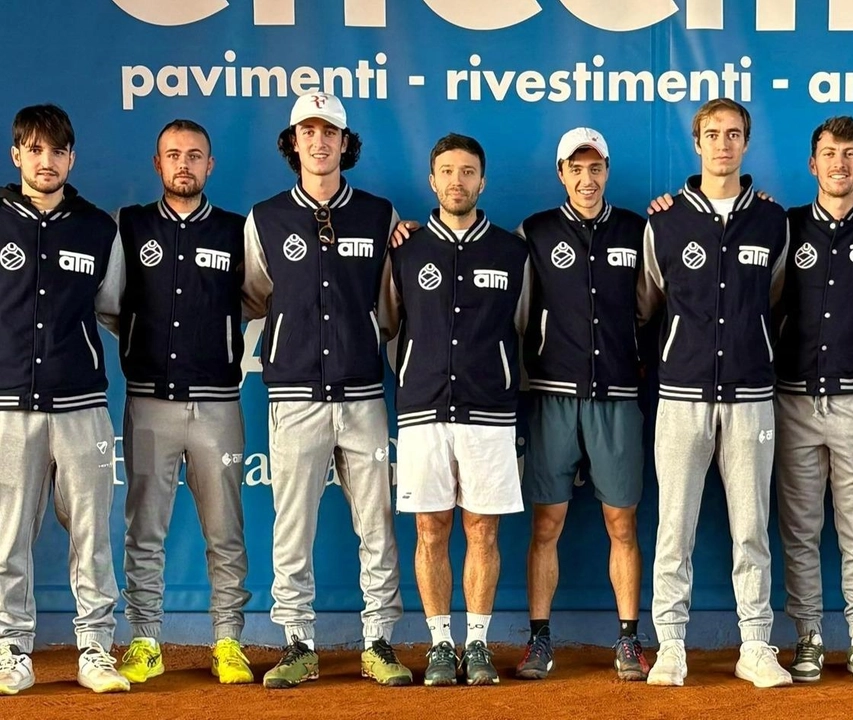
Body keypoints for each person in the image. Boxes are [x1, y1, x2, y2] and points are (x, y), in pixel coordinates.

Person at [242, 92, 410, 689]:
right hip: (293, 396)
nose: (318, 141)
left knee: (377, 522)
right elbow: (257, 295)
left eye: (329, 132)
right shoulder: (264, 218)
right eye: (307, 132)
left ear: (345, 142)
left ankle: (379, 639)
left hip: (363, 393)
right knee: (293, 524)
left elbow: (393, 305)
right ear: (293, 142)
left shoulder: (379, 214)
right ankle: (296, 641)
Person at [637, 98, 792, 688]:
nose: (722, 144)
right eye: (711, 134)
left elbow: (774, 297)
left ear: (746, 144)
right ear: (696, 143)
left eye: (733, 134)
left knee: (751, 528)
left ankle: (755, 644)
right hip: (681, 396)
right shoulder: (666, 221)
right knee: (673, 527)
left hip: (752, 396)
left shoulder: (774, 221)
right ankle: (670, 645)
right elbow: (650, 302)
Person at [381, 133, 528, 687]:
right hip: (422, 411)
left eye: (468, 172)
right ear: (432, 180)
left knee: (483, 532)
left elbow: (525, 325)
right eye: (447, 171)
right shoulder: (406, 248)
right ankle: (441, 643)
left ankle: (479, 643)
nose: (457, 182)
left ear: (482, 181)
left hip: (489, 410)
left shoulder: (512, 252)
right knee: (429, 528)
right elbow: (390, 323)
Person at [114, 119, 253, 686]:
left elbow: (259, 296)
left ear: (210, 166)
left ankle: (228, 641)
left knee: (226, 532)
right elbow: (108, 302)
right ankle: (145, 640)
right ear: (157, 163)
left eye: (195, 156)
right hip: (149, 402)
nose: (184, 165)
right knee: (144, 531)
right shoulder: (130, 226)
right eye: (173, 155)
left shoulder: (235, 230)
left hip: (217, 403)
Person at [0, 104, 129, 694]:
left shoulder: (98, 227)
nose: (45, 161)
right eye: (34, 149)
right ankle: (12, 647)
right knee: (8, 535)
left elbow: (112, 308)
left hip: (81, 405)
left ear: (71, 158)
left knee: (91, 534)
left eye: (57, 151)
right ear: (16, 155)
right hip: (8, 407)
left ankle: (96, 648)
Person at [513, 128, 649, 681]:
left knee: (623, 523)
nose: (586, 179)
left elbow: (652, 306)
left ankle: (628, 640)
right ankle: (539, 639)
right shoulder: (536, 232)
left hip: (617, 396)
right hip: (553, 396)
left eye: (596, 169)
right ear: (561, 174)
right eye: (576, 169)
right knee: (546, 524)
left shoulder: (638, 230)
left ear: (607, 172)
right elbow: (520, 314)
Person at [772, 116, 853, 683]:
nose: (840, 164)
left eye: (851, 154)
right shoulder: (784, 227)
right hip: (794, 400)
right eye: (829, 153)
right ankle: (808, 638)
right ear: (813, 164)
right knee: (799, 529)